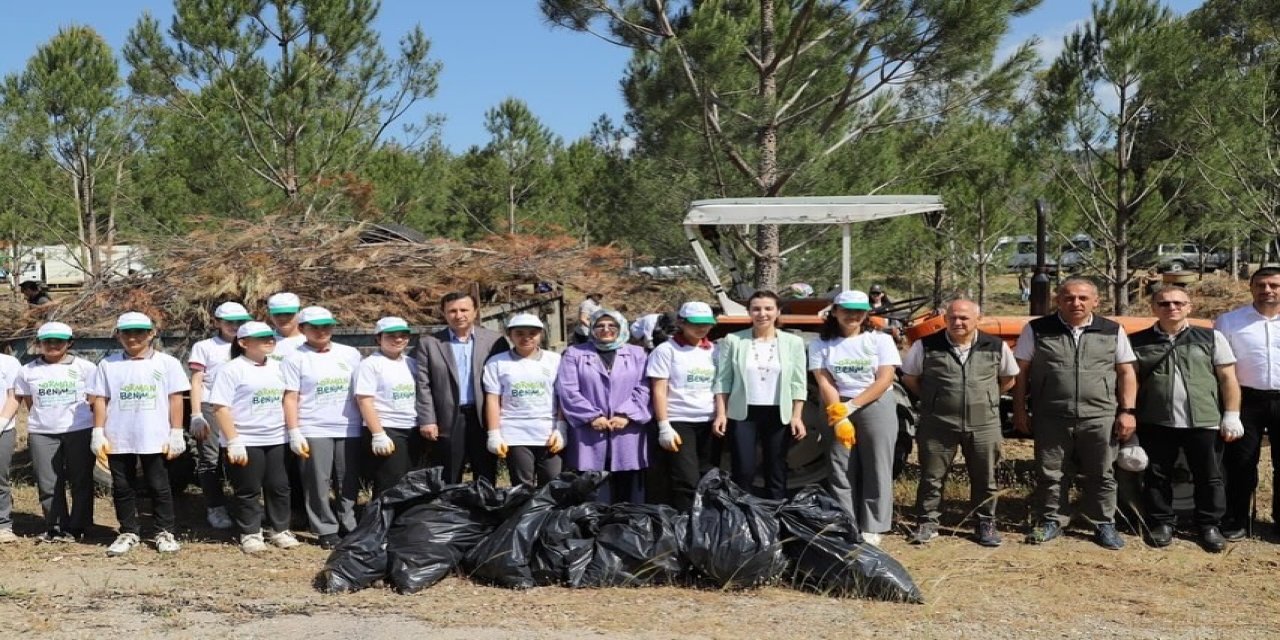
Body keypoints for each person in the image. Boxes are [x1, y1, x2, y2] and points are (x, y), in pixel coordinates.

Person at [1012, 277, 1138, 550]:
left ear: (1096, 301)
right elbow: (1020, 372)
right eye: (1068, 298)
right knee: (1051, 472)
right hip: (1051, 414)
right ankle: (1051, 520)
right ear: (1058, 300)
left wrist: (1127, 411)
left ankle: (1103, 523)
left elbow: (1126, 372)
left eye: (1083, 298)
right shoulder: (1037, 329)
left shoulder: (1112, 330)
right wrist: (1019, 410)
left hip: (1100, 415)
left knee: (1102, 472)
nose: (1076, 303)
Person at [1131, 287, 1240, 552]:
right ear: (1154, 308)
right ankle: (1161, 524)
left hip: (1203, 420)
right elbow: (1129, 380)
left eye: (1178, 303)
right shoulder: (1136, 341)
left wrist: (1232, 414)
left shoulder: (1211, 338)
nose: (1172, 308)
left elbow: (1227, 378)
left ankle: (1209, 525)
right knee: (1157, 475)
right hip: (1156, 420)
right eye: (1164, 303)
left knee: (1209, 476)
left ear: (1189, 307)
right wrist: (1130, 414)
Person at [901, 299, 1018, 547]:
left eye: (964, 318)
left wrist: (986, 398)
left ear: (978, 319)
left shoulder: (995, 346)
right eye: (952, 317)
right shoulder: (927, 345)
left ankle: (985, 523)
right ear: (945, 319)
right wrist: (933, 399)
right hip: (938, 422)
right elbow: (911, 378)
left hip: (984, 423)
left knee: (985, 476)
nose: (958, 322)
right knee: (932, 475)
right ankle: (927, 522)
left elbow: (1008, 379)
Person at [87, 312, 192, 556]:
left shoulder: (167, 363)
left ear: (151, 333)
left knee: (159, 485)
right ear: (118, 335)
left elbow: (176, 398)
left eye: (139, 332)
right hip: (119, 435)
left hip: (154, 435)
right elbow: (101, 399)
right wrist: (98, 431)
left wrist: (176, 432)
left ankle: (164, 531)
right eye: (127, 333)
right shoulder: (108, 364)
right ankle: (128, 532)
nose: (133, 337)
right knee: (122, 487)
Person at [810, 290, 900, 544]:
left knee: (877, 463)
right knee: (840, 465)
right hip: (835, 404)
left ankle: (873, 525)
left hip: (875, 404)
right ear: (835, 311)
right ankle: (845, 521)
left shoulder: (880, 340)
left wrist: (852, 407)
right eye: (847, 310)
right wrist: (839, 415)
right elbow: (824, 381)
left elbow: (884, 379)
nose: (853, 315)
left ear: (866, 313)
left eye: (859, 311)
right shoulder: (820, 344)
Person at [207, 321, 301, 553]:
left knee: (279, 485)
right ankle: (250, 532)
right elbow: (220, 407)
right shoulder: (232, 369)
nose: (269, 341)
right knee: (248, 488)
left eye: (270, 337)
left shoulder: (280, 367)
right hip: (246, 439)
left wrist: (293, 433)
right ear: (244, 343)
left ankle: (279, 529)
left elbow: (289, 399)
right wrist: (234, 440)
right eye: (262, 338)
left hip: (276, 438)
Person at [281, 306, 362, 549]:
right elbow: (290, 397)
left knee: (347, 479)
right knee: (317, 481)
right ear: (302, 329)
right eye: (314, 327)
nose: (321, 331)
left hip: (349, 426)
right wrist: (294, 431)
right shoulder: (295, 358)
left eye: (326, 326)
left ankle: (349, 523)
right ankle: (325, 529)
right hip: (314, 427)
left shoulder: (350, 354)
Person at [714, 290, 807, 500]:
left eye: (768, 308)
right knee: (744, 470)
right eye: (756, 309)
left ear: (778, 311)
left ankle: (775, 521)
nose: (762, 313)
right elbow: (723, 379)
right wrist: (721, 413)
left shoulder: (793, 343)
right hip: (743, 413)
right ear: (749, 312)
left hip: (778, 413)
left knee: (776, 470)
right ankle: (743, 521)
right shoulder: (734, 340)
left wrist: (796, 416)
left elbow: (798, 382)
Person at [14, 322, 98, 543]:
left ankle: (79, 526)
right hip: (42, 432)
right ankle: (56, 526)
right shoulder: (27, 371)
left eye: (59, 341)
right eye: (47, 341)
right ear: (39, 344)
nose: (53, 345)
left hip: (78, 430)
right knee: (48, 482)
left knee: (81, 479)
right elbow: (29, 403)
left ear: (69, 343)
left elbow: (93, 400)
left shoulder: (85, 368)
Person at [414, 292, 510, 485]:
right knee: (449, 471)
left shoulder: (494, 341)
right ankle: (450, 511)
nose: (459, 315)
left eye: (464, 310)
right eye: (452, 311)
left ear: (475, 311)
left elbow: (505, 381)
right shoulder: (430, 343)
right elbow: (422, 384)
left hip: (483, 415)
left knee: (485, 470)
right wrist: (427, 419)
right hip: (447, 416)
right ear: (444, 313)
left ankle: (484, 511)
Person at [558, 309, 652, 503]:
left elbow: (644, 387)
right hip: (589, 431)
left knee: (629, 486)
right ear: (591, 328)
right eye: (600, 325)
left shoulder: (638, 354)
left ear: (621, 328)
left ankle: (629, 528)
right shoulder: (575, 354)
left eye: (612, 325)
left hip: (628, 429)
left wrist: (626, 414)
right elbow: (568, 389)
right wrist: (592, 416)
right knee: (594, 487)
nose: (606, 329)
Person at [1214, 266, 1280, 540]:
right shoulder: (1229, 321)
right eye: (1261, 285)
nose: (1267, 290)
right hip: (1245, 398)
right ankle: (1237, 519)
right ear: (1251, 288)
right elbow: (1220, 366)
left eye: (1274, 285)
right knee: (1240, 462)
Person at [187, 301, 254, 531]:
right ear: (217, 323)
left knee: (245, 455)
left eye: (240, 322)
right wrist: (196, 414)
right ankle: (215, 506)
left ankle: (247, 504)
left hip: (242, 405)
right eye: (229, 322)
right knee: (210, 457)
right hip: (211, 405)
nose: (235, 326)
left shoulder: (250, 344)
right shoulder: (205, 347)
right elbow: (196, 381)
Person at [647, 301, 719, 511]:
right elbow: (659, 389)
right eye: (696, 323)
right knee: (686, 479)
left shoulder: (715, 350)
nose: (702, 328)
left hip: (709, 420)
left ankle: (707, 522)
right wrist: (664, 425)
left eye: (707, 324)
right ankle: (685, 524)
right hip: (679, 420)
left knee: (708, 476)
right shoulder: (666, 351)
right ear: (681, 322)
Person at [482, 313, 564, 488]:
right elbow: (492, 399)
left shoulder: (555, 361)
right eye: (519, 333)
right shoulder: (497, 363)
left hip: (548, 433)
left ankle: (547, 516)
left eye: (532, 333)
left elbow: (562, 396)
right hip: (515, 432)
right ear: (510, 335)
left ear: (541, 334)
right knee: (522, 485)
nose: (526, 338)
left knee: (552, 481)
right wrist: (494, 434)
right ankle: (524, 515)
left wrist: (561, 428)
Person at [354, 317, 421, 496]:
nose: (398, 340)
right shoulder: (370, 365)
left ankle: (404, 519)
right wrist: (378, 434)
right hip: (388, 428)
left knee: (410, 480)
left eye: (403, 335)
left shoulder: (411, 363)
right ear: (378, 338)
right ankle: (382, 520)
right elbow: (364, 400)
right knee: (390, 481)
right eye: (391, 336)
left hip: (412, 427)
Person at [0, 343, 21, 543]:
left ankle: (2, 524)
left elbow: (14, 396)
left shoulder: (8, 363)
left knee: (0, 478)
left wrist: (1, 422)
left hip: (2, 429)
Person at [266, 292, 305, 360]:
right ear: (269, 314)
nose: (283, 318)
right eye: (277, 314)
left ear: (299, 312)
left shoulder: (312, 341)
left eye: (288, 313)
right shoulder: (262, 341)